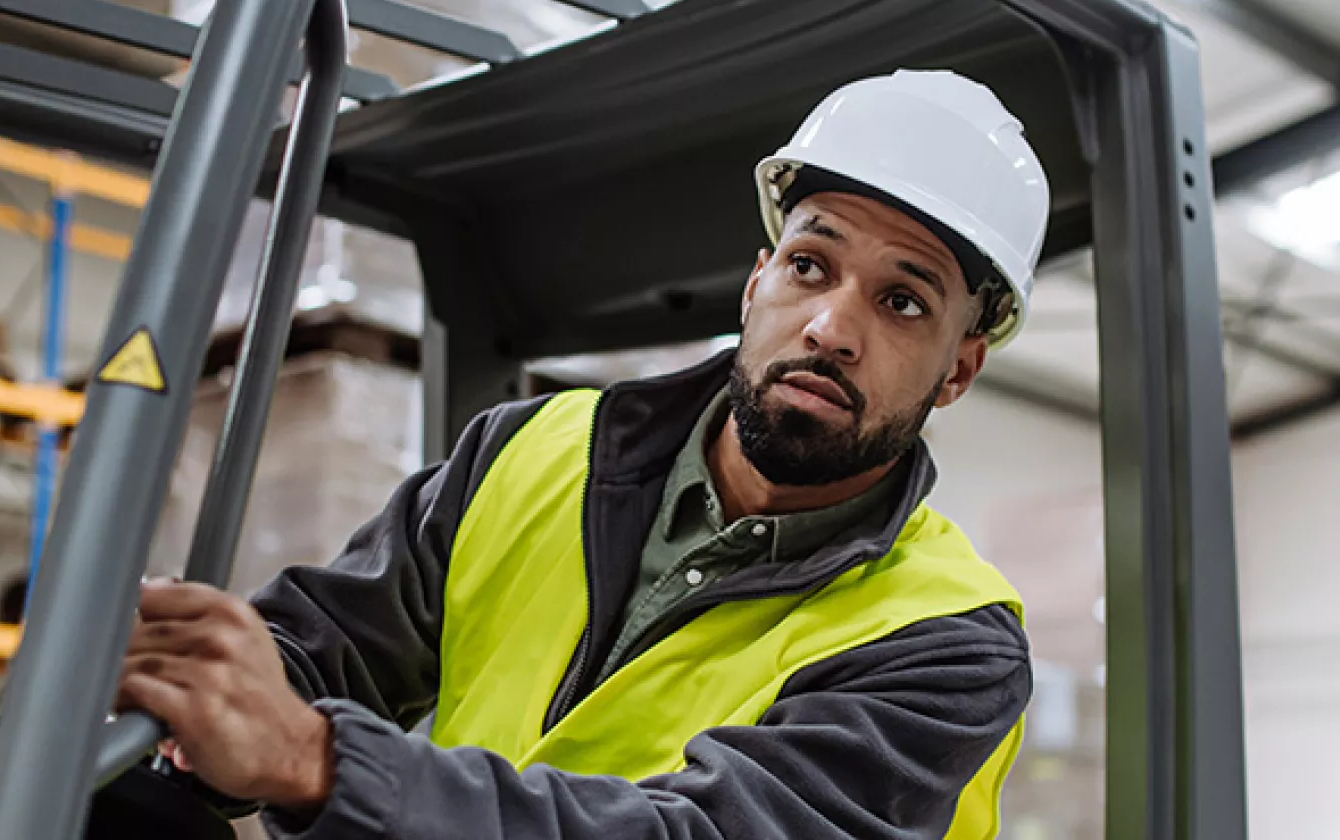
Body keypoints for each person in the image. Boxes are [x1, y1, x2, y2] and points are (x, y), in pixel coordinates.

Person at [116, 68, 1053, 840]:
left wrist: (319, 762)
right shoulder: (530, 450)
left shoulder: (949, 643)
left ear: (958, 369)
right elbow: (327, 644)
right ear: (756, 283)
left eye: (903, 302)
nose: (831, 327)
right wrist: (196, 709)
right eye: (811, 264)